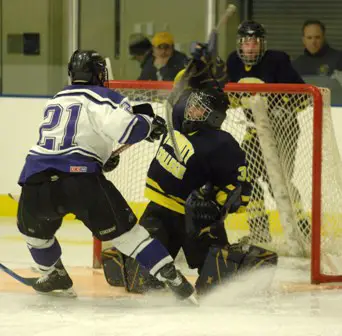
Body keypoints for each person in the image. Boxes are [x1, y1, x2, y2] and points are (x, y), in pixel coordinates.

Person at [16, 49, 196, 303]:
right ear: (99, 74)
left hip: (36, 179)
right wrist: (146, 120)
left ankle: (52, 274)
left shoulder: (55, 99)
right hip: (81, 182)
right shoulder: (105, 97)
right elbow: (127, 129)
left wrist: (101, 158)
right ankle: (172, 277)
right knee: (128, 237)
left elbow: (68, 141)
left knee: (35, 235)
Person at [103, 53, 277, 295]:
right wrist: (190, 74)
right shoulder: (178, 119)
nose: (191, 110)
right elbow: (178, 91)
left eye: (199, 108)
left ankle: (249, 262)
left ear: (213, 116)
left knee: (215, 287)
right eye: (193, 105)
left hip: (196, 221)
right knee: (142, 283)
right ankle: (130, 257)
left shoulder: (223, 145)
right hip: (159, 211)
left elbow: (241, 193)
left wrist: (214, 205)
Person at [226, 20, 310, 243]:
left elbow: (304, 96)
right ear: (239, 45)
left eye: (255, 42)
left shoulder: (278, 61)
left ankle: (302, 229)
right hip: (255, 131)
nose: (250, 47)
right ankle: (260, 230)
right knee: (245, 177)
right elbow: (229, 98)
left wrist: (282, 106)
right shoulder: (233, 62)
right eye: (246, 42)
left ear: (262, 44)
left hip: (284, 130)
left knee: (278, 182)